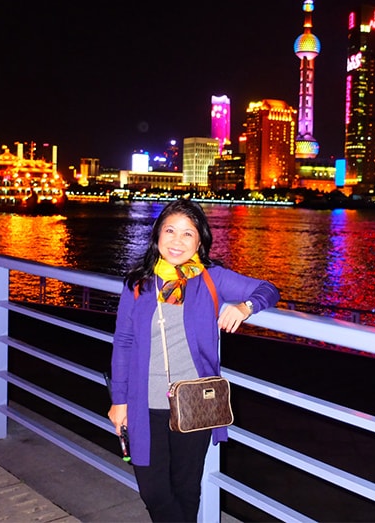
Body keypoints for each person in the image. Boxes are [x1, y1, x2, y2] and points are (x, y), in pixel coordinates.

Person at [107, 198, 280, 522]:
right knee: (155, 492)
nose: (176, 240)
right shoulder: (138, 284)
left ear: (200, 241)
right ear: (157, 235)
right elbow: (124, 342)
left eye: (187, 234)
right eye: (170, 230)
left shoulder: (211, 278)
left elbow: (268, 289)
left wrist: (245, 307)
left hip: (194, 402)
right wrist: (119, 400)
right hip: (144, 404)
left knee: (186, 489)